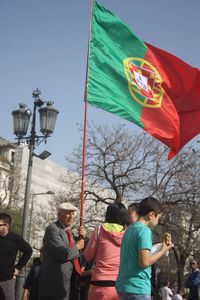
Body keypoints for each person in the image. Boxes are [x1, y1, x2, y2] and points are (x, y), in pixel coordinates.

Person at [116, 196, 173, 300]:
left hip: (123, 286)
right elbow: (144, 262)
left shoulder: (129, 230)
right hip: (138, 288)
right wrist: (163, 250)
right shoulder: (144, 231)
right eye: (158, 218)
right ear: (151, 215)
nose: (157, 222)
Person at [38, 202, 87, 300]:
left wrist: (83, 238)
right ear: (59, 214)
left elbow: (77, 255)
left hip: (68, 282)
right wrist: (77, 246)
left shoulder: (69, 233)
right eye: (68, 213)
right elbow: (63, 254)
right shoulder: (52, 229)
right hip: (54, 283)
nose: (71, 216)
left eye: (73, 213)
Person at [84, 202, 130, 300]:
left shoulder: (99, 229)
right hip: (118, 285)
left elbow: (88, 255)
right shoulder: (127, 234)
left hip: (98, 282)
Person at [0, 212, 32, 300]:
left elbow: (28, 251)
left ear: (6, 226)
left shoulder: (14, 238)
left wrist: (18, 267)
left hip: (6, 280)